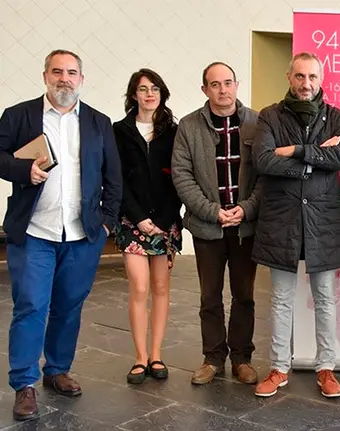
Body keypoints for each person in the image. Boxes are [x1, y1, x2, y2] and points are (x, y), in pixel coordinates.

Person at [0, 49, 122, 421]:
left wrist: (106, 223)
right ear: (45, 76)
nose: (64, 78)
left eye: (71, 72)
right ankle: (24, 383)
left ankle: (57, 369)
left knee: (69, 305)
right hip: (35, 231)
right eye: (57, 72)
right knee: (32, 306)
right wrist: (24, 171)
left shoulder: (99, 123)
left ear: (81, 79)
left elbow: (113, 177)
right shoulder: (19, 115)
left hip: (82, 234)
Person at [252, 52, 340, 399]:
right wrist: (312, 160)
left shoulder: (336, 116)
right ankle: (279, 367)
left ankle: (326, 368)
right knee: (280, 299)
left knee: (325, 297)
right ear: (288, 77)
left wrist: (294, 150)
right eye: (299, 76)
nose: (305, 83)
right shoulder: (269, 115)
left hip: (323, 221)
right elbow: (263, 160)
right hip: (281, 221)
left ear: (320, 79)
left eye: (311, 77)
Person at [171, 62, 260, 386]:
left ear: (237, 85)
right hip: (208, 226)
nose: (222, 90)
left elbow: (265, 174)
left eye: (227, 83)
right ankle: (212, 358)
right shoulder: (189, 125)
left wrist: (247, 208)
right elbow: (181, 174)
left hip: (244, 227)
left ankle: (241, 358)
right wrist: (212, 211)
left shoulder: (256, 123)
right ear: (205, 89)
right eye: (214, 84)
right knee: (209, 296)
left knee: (244, 296)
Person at [113, 68, 182, 384]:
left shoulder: (173, 131)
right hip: (132, 220)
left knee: (160, 288)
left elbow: (179, 177)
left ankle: (156, 355)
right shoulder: (119, 131)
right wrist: (138, 216)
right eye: (143, 89)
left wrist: (165, 219)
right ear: (133, 94)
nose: (149, 93)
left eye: (154, 88)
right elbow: (116, 179)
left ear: (162, 93)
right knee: (139, 287)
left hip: (166, 219)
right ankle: (139, 358)